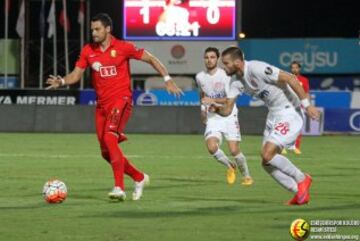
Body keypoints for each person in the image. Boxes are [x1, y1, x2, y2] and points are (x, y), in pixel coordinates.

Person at [46, 13, 183, 201]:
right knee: (105, 152)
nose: (93, 33)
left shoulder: (123, 47)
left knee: (110, 139)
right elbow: (76, 75)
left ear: (108, 29)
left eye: (97, 29)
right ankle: (139, 177)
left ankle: (119, 188)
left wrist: (167, 79)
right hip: (102, 106)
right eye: (92, 29)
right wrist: (62, 81)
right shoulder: (88, 51)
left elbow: (151, 58)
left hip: (122, 100)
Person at [202, 46, 320, 205]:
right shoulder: (235, 81)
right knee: (266, 163)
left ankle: (302, 178)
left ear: (237, 62)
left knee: (267, 154)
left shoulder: (257, 68)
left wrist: (307, 105)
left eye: (226, 63)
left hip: (289, 111)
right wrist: (217, 109)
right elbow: (228, 109)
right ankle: (299, 193)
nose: (224, 67)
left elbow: (291, 78)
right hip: (273, 115)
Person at [196, 47, 253, 186]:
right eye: (206, 57)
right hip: (213, 116)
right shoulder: (199, 77)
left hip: (229, 114)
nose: (209, 60)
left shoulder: (226, 75)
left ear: (217, 59)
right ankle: (230, 166)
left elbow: (229, 99)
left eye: (212, 57)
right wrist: (203, 110)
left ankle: (247, 176)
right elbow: (202, 95)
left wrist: (211, 100)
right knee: (211, 147)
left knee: (234, 149)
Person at [289, 61, 310, 155]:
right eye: (293, 68)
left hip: (299, 107)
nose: (294, 69)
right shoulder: (287, 78)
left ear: (299, 69)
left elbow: (306, 94)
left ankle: (296, 147)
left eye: (296, 67)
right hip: (288, 106)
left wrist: (308, 106)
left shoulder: (304, 80)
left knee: (298, 127)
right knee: (287, 127)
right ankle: (283, 147)